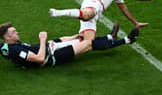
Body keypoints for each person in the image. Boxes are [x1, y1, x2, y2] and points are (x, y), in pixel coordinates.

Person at [0, 22, 139, 68]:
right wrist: (42, 39)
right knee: (87, 44)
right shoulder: (16, 51)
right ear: (7, 36)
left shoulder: (8, 46)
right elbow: (40, 58)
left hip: (51, 47)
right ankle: (127, 40)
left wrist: (72, 37)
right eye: (13, 31)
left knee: (81, 38)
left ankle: (110, 37)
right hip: (54, 56)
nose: (17, 32)